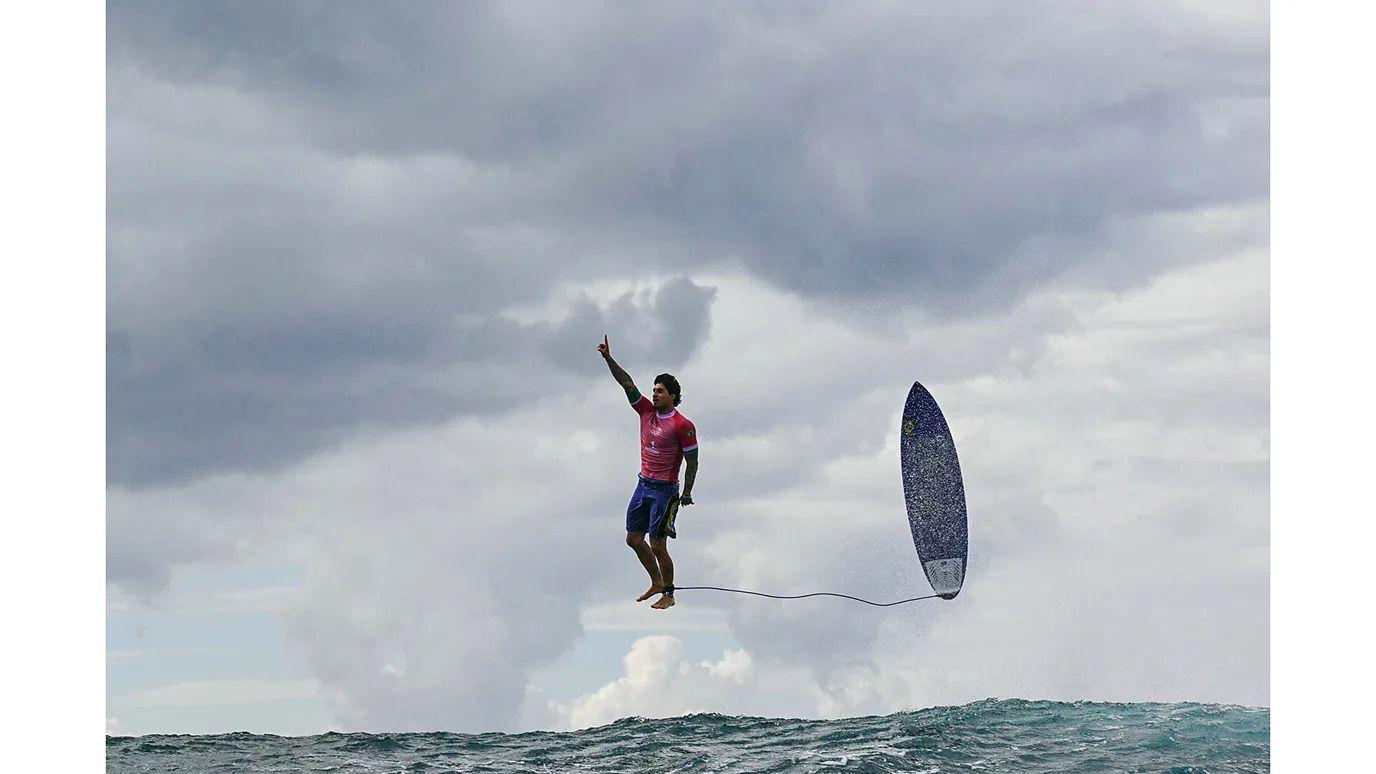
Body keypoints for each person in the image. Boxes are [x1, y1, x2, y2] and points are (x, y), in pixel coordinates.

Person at [596, 334, 698, 610]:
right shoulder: (645, 411)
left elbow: (693, 461)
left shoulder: (682, 425)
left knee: (658, 545)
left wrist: (686, 492)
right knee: (633, 539)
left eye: (660, 391)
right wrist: (608, 359)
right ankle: (655, 581)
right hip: (643, 485)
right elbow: (626, 383)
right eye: (653, 390)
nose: (654, 394)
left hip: (665, 491)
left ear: (673, 396)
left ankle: (669, 593)